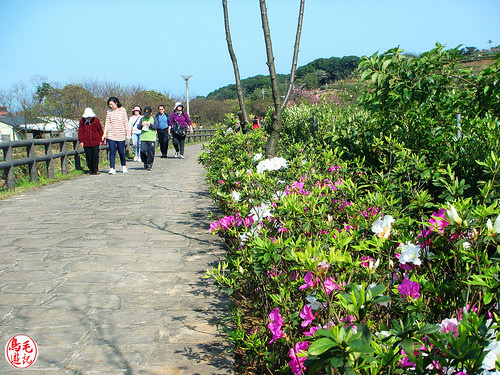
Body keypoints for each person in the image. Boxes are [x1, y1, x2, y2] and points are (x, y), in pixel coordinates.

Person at [103, 97, 130, 174]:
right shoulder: (109, 112)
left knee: (121, 151)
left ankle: (123, 165)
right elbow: (107, 123)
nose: (111, 106)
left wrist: (128, 133)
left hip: (121, 134)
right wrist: (105, 133)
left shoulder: (122, 110)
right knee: (112, 151)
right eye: (109, 105)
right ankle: (112, 167)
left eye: (112, 104)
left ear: (116, 103)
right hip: (111, 134)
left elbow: (126, 122)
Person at [78, 107, 103, 175]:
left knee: (95, 155)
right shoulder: (82, 121)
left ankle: (95, 169)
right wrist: (81, 141)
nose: (89, 118)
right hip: (86, 141)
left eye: (90, 116)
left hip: (95, 140)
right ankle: (90, 169)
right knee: (88, 156)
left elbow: (100, 130)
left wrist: (101, 140)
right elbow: (81, 131)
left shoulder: (96, 120)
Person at [137, 106, 159, 170]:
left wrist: (150, 125)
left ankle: (149, 164)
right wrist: (142, 125)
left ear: (151, 113)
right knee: (142, 151)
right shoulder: (142, 119)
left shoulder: (153, 118)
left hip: (151, 138)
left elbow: (157, 126)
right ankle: (145, 162)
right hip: (143, 137)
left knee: (150, 152)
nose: (146, 116)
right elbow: (138, 127)